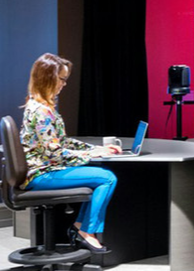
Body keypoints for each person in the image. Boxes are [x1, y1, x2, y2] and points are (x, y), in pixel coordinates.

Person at [20, 53, 120, 252]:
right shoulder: (40, 111)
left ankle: (81, 228)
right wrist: (91, 156)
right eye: (62, 79)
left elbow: (62, 141)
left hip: (45, 170)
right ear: (48, 78)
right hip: (41, 174)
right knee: (107, 178)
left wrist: (94, 149)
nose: (64, 84)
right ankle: (85, 232)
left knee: (101, 177)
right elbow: (56, 154)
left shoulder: (43, 106)